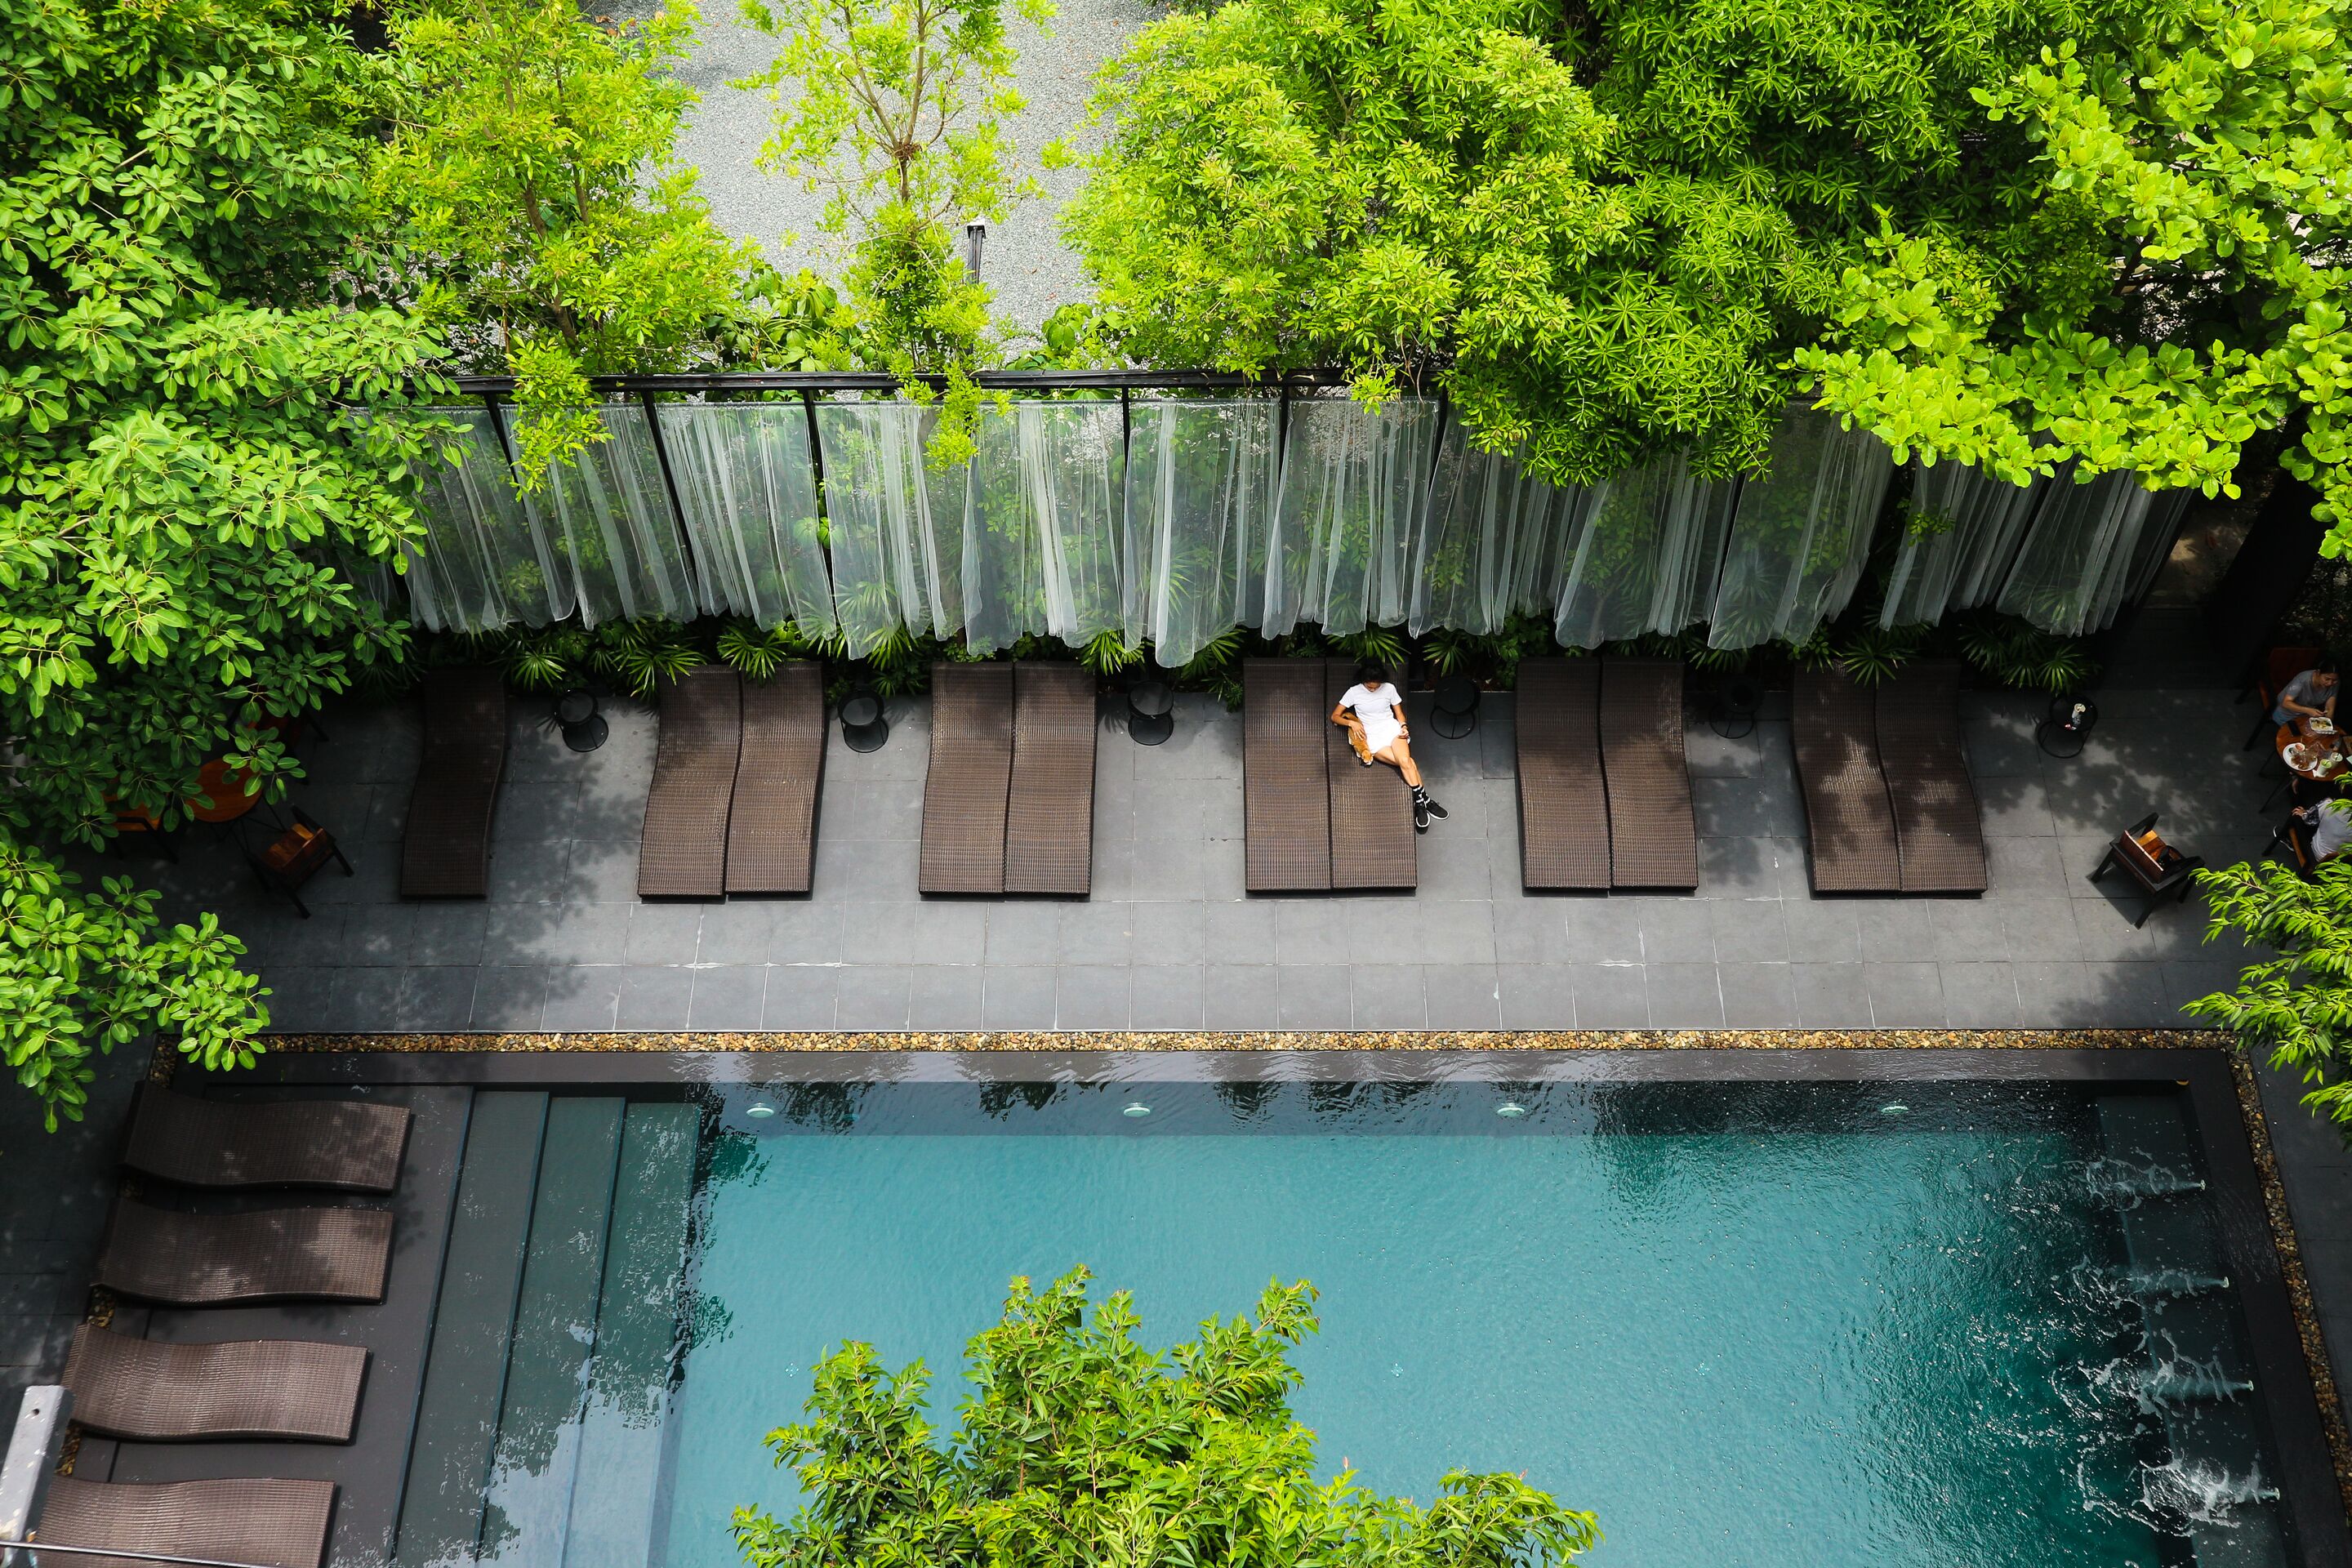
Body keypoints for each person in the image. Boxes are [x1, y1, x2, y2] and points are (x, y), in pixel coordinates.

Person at [1332, 659, 1446, 831]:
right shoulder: (1353, 692)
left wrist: (1404, 727)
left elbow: (1399, 714)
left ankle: (1419, 802)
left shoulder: (1389, 688)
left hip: (1392, 729)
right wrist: (1352, 724)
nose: (1373, 689)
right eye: (1370, 687)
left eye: (1376, 687)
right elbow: (1335, 716)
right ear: (1363, 680)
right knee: (1409, 763)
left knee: (1405, 762)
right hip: (1372, 737)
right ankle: (1425, 799)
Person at [2274, 657, 2340, 725]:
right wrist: (2308, 710)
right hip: (2287, 715)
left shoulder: (2335, 684)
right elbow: (2286, 703)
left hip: (2307, 717)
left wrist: (2328, 725)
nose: (2330, 683)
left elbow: (2330, 709)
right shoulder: (2303, 680)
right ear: (2318, 673)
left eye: (2334, 680)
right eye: (2327, 679)